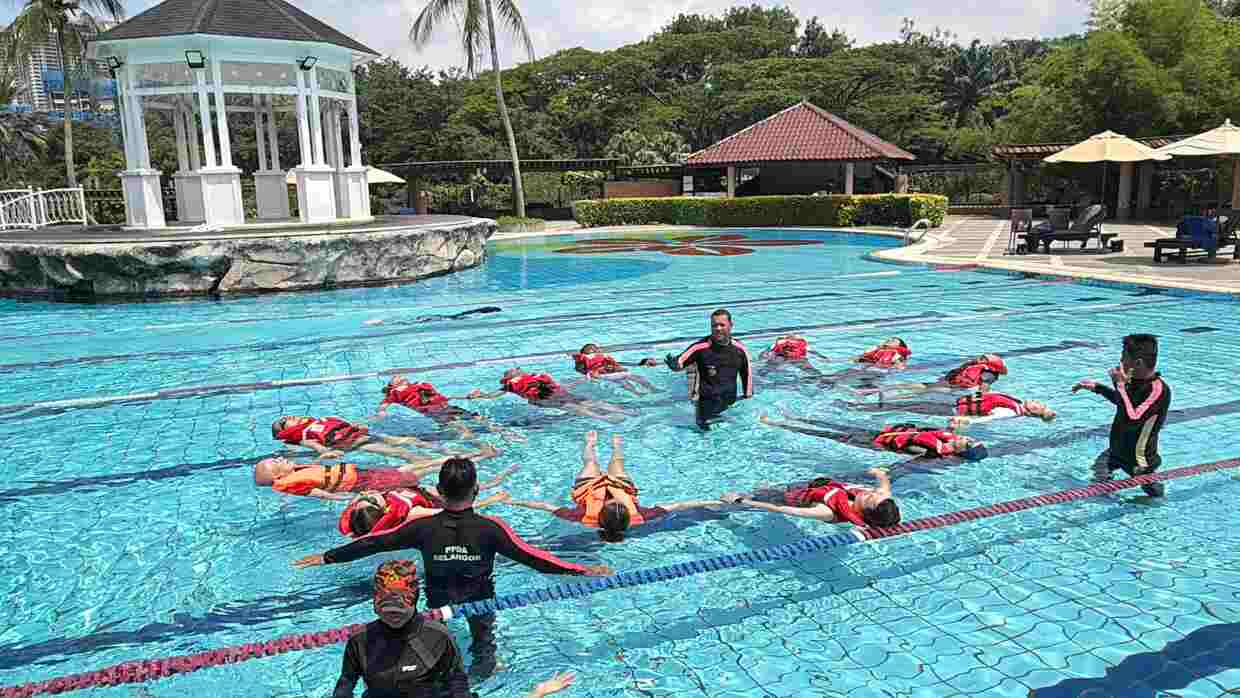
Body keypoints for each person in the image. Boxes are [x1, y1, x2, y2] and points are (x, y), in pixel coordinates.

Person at [294, 457, 612, 680]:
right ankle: (483, 674)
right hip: (479, 602)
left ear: (439, 491)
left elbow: (376, 542)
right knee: (483, 646)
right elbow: (534, 558)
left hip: (438, 603)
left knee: (433, 645)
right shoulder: (491, 528)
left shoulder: (422, 528)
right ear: (476, 490)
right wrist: (581, 571)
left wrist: (328, 557)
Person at [503, 431, 725, 542]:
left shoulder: (582, 517)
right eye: (620, 504)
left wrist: (514, 501)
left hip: (588, 487)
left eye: (612, 503)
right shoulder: (642, 515)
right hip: (622, 485)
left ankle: (590, 444)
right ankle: (616, 447)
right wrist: (714, 501)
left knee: (590, 463)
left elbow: (545, 506)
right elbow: (680, 505)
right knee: (617, 462)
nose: (614, 500)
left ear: (601, 517)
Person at [332, 559, 470, 698]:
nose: (393, 617)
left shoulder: (438, 636)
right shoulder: (360, 639)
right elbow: (346, 681)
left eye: (399, 611)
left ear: (414, 601)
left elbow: (457, 680)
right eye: (387, 612)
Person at [1072, 333, 1170, 497]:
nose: (1120, 362)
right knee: (1098, 478)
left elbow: (1134, 418)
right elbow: (1123, 403)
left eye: (1124, 358)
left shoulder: (1158, 390)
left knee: (1154, 495)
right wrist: (1098, 388)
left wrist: (1120, 385)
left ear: (1138, 363)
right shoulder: (1133, 382)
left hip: (1139, 460)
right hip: (1116, 451)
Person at [253, 444, 503, 500]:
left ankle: (478, 457)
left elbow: (320, 474)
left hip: (365, 475)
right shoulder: (287, 484)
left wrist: (323, 456)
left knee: (419, 467)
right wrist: (346, 498)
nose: (279, 458)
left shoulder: (294, 472)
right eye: (275, 462)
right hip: (362, 483)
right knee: (422, 470)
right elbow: (320, 493)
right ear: (277, 477)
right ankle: (480, 457)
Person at [663, 309, 752, 430]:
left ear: (731, 325)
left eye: (722, 325)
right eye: (714, 325)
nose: (718, 328)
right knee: (704, 432)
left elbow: (746, 373)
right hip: (706, 402)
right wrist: (675, 364)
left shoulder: (739, 348)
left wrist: (747, 396)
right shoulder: (700, 347)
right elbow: (681, 360)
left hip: (729, 401)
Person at [720, 467, 900, 527]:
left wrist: (741, 501)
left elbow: (782, 509)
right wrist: (878, 473)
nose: (869, 493)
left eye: (868, 499)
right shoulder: (881, 499)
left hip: (787, 498)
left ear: (863, 511)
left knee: (763, 492)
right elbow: (884, 484)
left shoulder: (825, 511)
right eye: (874, 493)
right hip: (817, 486)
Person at [759, 415, 988, 460]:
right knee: (833, 424)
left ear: (961, 451)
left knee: (826, 434)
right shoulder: (947, 437)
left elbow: (904, 450)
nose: (964, 438)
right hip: (882, 433)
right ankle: (793, 417)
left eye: (967, 442)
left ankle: (779, 424)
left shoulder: (931, 452)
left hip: (873, 442)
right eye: (968, 438)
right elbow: (924, 430)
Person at [377, 374, 525, 442]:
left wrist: (469, 396)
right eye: (396, 378)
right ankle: (482, 446)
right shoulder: (395, 393)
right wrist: (382, 412)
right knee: (463, 429)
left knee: (479, 418)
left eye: (401, 376)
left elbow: (440, 396)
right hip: (435, 412)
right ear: (393, 385)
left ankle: (505, 433)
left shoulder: (418, 385)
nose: (400, 376)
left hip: (447, 406)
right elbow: (384, 404)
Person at [467, 368, 633, 423]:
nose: (518, 369)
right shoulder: (534, 376)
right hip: (552, 394)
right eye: (515, 369)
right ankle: (622, 412)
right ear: (514, 374)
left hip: (545, 397)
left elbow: (492, 396)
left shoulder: (511, 384)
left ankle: (606, 417)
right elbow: (557, 386)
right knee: (583, 403)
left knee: (574, 407)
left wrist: (479, 395)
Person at [339, 488, 508, 539]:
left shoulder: (358, 519)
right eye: (371, 499)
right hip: (436, 503)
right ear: (382, 511)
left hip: (423, 494)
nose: (367, 493)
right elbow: (454, 511)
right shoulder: (412, 513)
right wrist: (491, 500)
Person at [272, 415, 433, 461]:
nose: (288, 417)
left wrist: (359, 424)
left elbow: (344, 425)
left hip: (361, 435)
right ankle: (429, 462)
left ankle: (442, 451)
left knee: (411, 440)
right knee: (400, 452)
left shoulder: (315, 422)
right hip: (357, 444)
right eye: (284, 422)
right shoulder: (304, 436)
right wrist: (327, 452)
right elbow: (316, 446)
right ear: (287, 430)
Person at [851, 353, 1008, 400]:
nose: (979, 357)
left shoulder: (988, 373)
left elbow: (983, 389)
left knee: (918, 391)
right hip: (950, 385)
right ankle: (874, 391)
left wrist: (976, 401)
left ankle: (887, 397)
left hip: (956, 389)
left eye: (983, 357)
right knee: (914, 387)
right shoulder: (974, 366)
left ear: (989, 363)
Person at [570, 344, 658, 395]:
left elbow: (614, 364)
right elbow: (580, 368)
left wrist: (617, 367)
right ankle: (650, 390)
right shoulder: (583, 358)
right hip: (600, 373)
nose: (596, 349)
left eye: (595, 348)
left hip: (607, 372)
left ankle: (640, 393)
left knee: (624, 381)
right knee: (629, 377)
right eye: (593, 348)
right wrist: (591, 373)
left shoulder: (601, 356)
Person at [757, 334, 828, 379]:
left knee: (768, 367)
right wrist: (822, 357)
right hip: (792, 358)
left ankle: (760, 375)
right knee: (810, 369)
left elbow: (767, 351)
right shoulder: (800, 344)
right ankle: (821, 378)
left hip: (785, 357)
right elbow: (812, 351)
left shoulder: (780, 343)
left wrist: (762, 357)